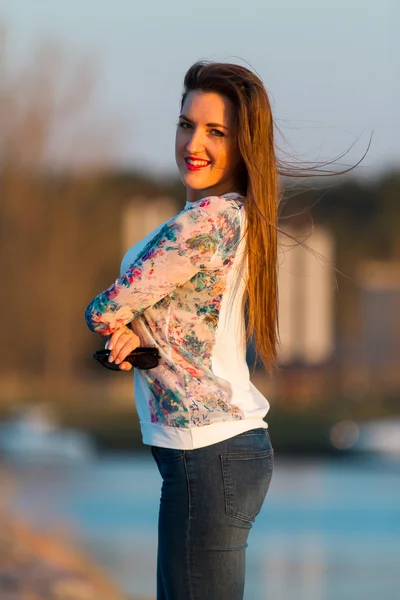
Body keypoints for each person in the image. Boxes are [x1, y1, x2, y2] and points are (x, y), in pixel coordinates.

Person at [85, 60, 280, 600]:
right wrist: (140, 340)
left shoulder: (207, 221)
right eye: (186, 124)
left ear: (245, 144)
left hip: (209, 453)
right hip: (210, 454)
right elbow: (178, 322)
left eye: (216, 131)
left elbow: (104, 309)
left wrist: (116, 317)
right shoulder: (234, 216)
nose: (194, 142)